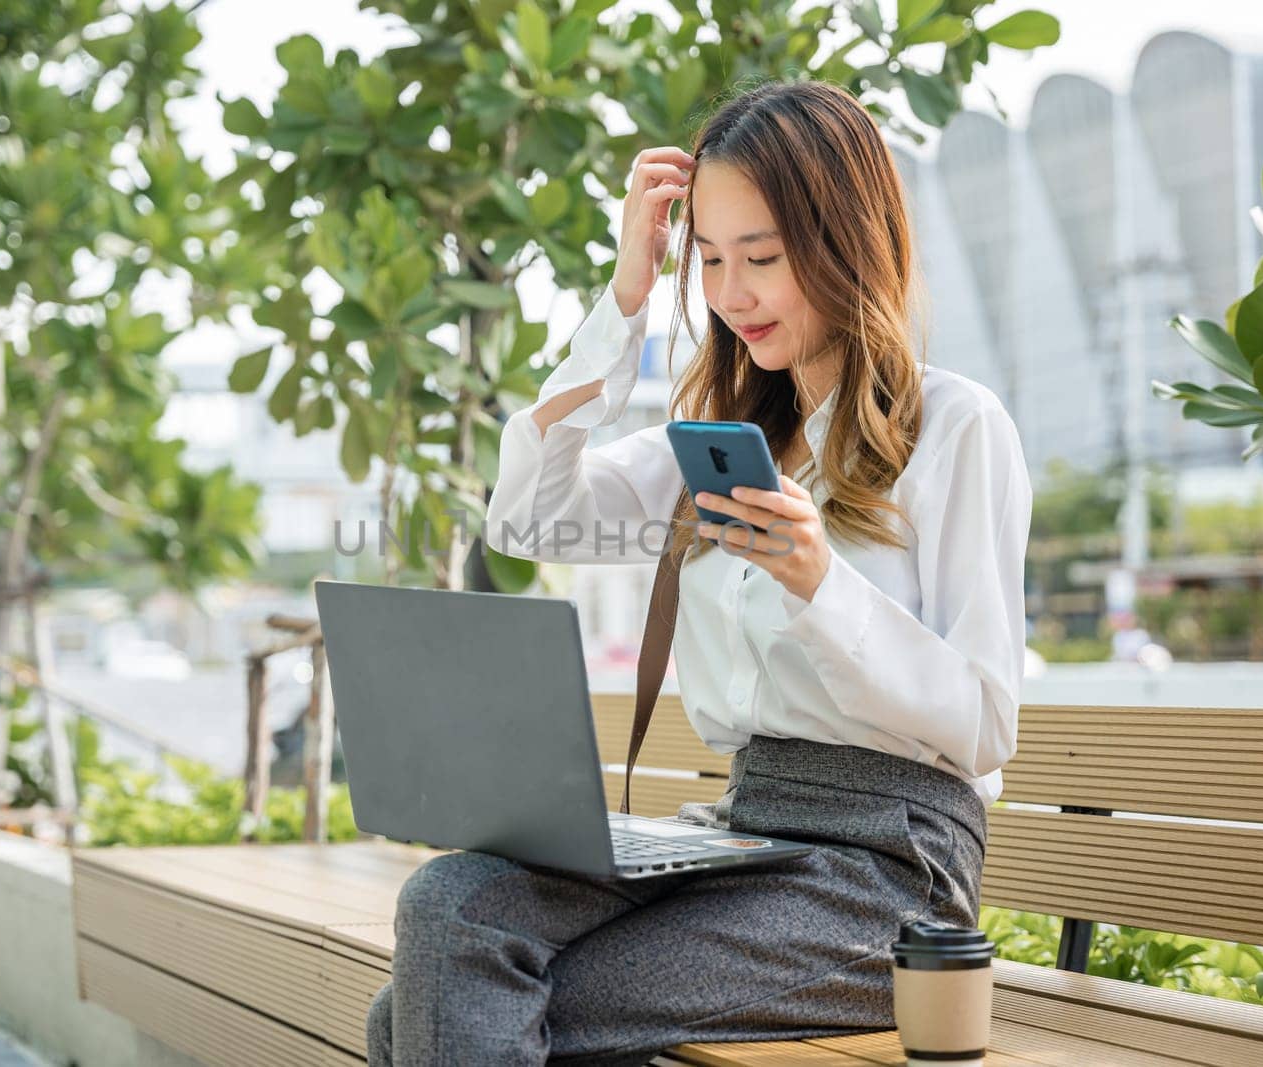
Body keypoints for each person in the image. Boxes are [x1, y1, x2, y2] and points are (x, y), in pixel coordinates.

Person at [366, 78, 1033, 1067]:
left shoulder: (953, 427)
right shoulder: (722, 448)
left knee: (430, 1009)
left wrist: (822, 583)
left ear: (847, 239)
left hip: (887, 876)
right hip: (742, 833)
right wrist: (624, 297)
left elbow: (984, 721)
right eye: (709, 259)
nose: (730, 294)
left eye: (760, 257)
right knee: (450, 902)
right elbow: (530, 514)